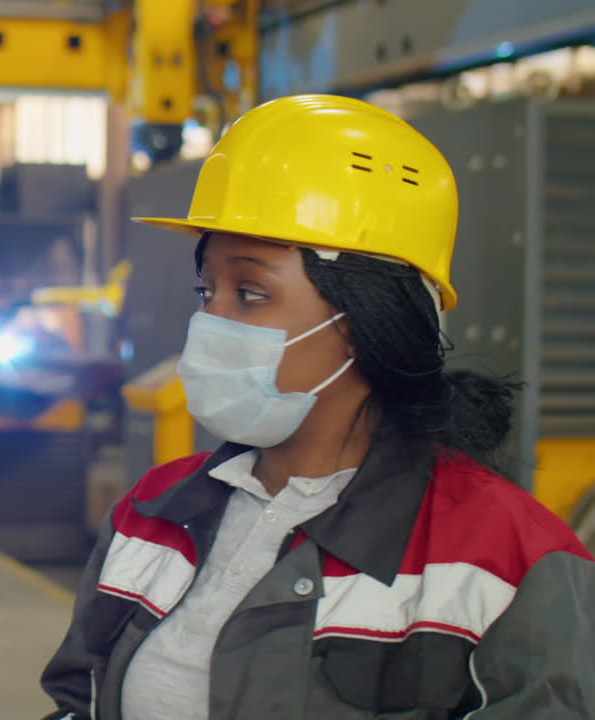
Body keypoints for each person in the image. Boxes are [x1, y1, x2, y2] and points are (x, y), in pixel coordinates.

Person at [40, 95, 595, 719]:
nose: (209, 322)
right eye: (207, 290)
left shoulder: (505, 561)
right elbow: (76, 699)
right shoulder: (150, 514)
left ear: (367, 317)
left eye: (250, 293)